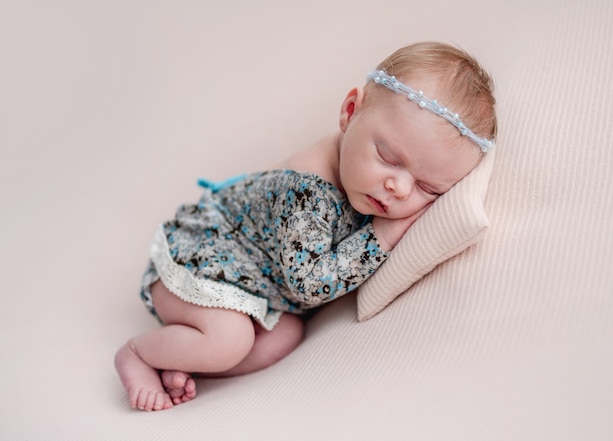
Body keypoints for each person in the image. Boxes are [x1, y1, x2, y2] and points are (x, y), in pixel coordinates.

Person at [115, 41, 497, 411]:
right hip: (204, 262)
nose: (398, 188)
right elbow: (309, 284)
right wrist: (379, 237)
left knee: (286, 335)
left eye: (428, 188)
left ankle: (186, 359)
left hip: (255, 286)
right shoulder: (308, 189)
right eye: (387, 156)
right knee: (230, 339)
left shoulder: (362, 174)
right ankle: (139, 354)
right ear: (350, 112)